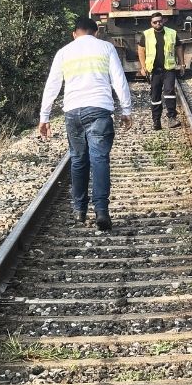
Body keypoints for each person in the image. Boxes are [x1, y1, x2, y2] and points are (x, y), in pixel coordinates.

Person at [38, 17, 133, 230]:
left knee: (78, 159)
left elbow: (52, 85)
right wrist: (126, 110)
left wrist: (44, 117)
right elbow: (119, 80)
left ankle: (79, 210)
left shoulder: (64, 52)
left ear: (74, 34)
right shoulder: (106, 47)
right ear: (96, 32)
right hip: (99, 109)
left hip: (72, 112)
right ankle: (101, 211)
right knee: (99, 159)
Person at [136, 12, 183, 130]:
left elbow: (178, 47)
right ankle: (156, 121)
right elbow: (141, 50)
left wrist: (182, 64)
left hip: (168, 69)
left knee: (170, 92)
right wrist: (143, 67)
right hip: (154, 70)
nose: (158, 24)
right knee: (155, 95)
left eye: (160, 21)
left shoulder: (172, 33)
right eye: (155, 22)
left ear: (163, 21)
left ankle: (172, 118)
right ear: (151, 23)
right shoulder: (146, 34)